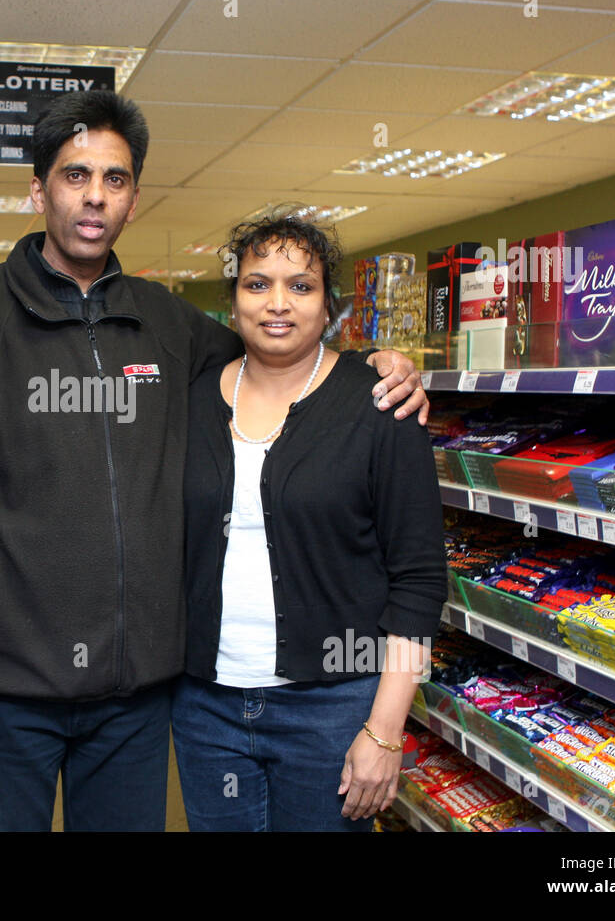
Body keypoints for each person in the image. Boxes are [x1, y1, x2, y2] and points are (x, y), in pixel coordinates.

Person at [0, 90, 429, 832]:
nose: (95, 196)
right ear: (39, 189)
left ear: (135, 198)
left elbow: (282, 350)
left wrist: (381, 367)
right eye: (75, 176)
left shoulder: (169, 326)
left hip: (134, 703)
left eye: (116, 179)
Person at [174, 207, 447, 832]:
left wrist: (384, 731)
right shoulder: (188, 403)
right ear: (234, 300)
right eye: (257, 283)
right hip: (204, 705)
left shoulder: (380, 406)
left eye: (301, 286)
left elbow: (420, 580)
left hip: (334, 705)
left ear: (329, 307)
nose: (278, 303)